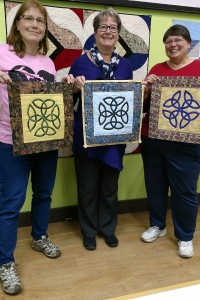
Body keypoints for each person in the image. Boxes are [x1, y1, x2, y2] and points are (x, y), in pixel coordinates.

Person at [0, 0, 74, 295]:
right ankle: (5, 261)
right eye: (28, 19)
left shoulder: (47, 62)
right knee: (10, 204)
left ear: (45, 29)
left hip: (45, 140)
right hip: (10, 143)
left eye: (40, 21)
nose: (34, 25)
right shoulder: (2, 54)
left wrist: (64, 84)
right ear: (17, 24)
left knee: (43, 193)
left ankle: (39, 236)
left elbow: (48, 100)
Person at [66, 8, 133, 251]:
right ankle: (88, 231)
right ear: (94, 33)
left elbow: (130, 101)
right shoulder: (81, 62)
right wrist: (74, 86)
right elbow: (69, 99)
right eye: (103, 27)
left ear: (118, 34)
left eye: (112, 27)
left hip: (114, 139)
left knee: (109, 186)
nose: (108, 31)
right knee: (87, 186)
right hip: (86, 137)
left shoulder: (125, 66)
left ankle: (107, 228)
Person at [140, 24, 200, 258]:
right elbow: (143, 108)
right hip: (153, 140)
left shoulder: (198, 68)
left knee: (184, 191)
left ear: (188, 43)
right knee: (155, 186)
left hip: (187, 145)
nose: (172, 45)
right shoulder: (156, 69)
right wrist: (146, 90)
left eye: (177, 40)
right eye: (168, 41)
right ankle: (158, 225)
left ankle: (185, 236)